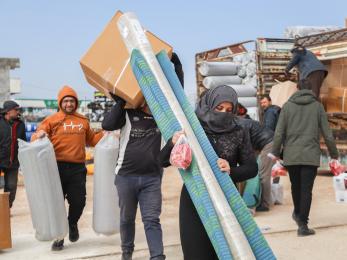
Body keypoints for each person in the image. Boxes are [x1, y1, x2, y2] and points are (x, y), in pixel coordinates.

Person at [102, 53, 184, 260]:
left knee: (151, 220)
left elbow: (177, 95)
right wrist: (120, 102)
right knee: (126, 219)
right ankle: (126, 252)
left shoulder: (163, 118)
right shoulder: (129, 114)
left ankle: (157, 257)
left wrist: (176, 65)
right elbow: (107, 125)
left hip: (151, 178)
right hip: (125, 176)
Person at [161, 85, 258, 260]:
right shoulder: (192, 129)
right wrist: (172, 142)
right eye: (219, 108)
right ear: (208, 105)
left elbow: (252, 168)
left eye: (229, 110)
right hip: (195, 198)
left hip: (227, 199)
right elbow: (161, 161)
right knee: (196, 252)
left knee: (226, 252)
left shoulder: (238, 130)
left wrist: (230, 170)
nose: (223, 113)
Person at [31, 85, 103, 250]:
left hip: (78, 167)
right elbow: (37, 134)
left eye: (72, 101)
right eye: (66, 101)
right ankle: (58, 237)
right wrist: (39, 135)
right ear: (60, 102)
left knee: (79, 201)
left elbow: (92, 140)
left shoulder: (83, 120)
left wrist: (106, 133)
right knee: (57, 204)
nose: (69, 104)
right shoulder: (51, 120)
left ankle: (72, 224)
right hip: (56, 167)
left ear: (75, 103)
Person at [271, 80, 339, 236]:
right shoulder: (317, 107)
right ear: (311, 90)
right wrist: (334, 153)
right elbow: (327, 133)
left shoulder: (287, 106)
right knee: (306, 190)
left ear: (297, 88)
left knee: (296, 187)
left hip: (291, 155)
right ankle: (303, 225)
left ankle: (297, 213)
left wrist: (275, 152)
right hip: (310, 154)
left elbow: (279, 132)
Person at [237, 112, 274, 212]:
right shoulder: (241, 122)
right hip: (265, 143)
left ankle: (265, 204)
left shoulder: (240, 126)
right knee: (257, 171)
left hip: (269, 143)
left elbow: (246, 146)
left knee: (263, 174)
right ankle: (261, 200)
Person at [0, 100, 26, 208]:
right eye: (15, 110)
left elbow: (23, 142)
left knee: (11, 186)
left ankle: (6, 209)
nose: (18, 111)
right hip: (1, 159)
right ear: (8, 111)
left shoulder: (20, 124)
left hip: (13, 162)